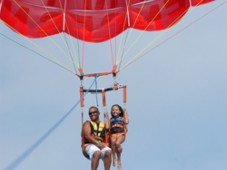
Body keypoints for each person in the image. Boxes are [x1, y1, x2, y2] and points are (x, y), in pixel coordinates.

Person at [81, 106, 112, 170]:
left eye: (94, 112)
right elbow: (87, 135)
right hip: (89, 146)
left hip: (100, 145)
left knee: (108, 151)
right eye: (90, 113)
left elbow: (108, 137)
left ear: (98, 113)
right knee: (97, 152)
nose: (92, 114)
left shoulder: (103, 125)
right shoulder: (87, 123)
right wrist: (98, 143)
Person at [109, 104, 129, 169]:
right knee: (112, 141)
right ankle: (114, 156)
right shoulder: (110, 119)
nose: (114, 111)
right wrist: (106, 117)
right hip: (113, 134)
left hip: (121, 134)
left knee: (117, 143)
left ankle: (119, 159)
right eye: (113, 110)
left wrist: (126, 114)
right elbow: (107, 127)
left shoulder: (122, 118)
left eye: (116, 110)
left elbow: (126, 122)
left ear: (119, 111)